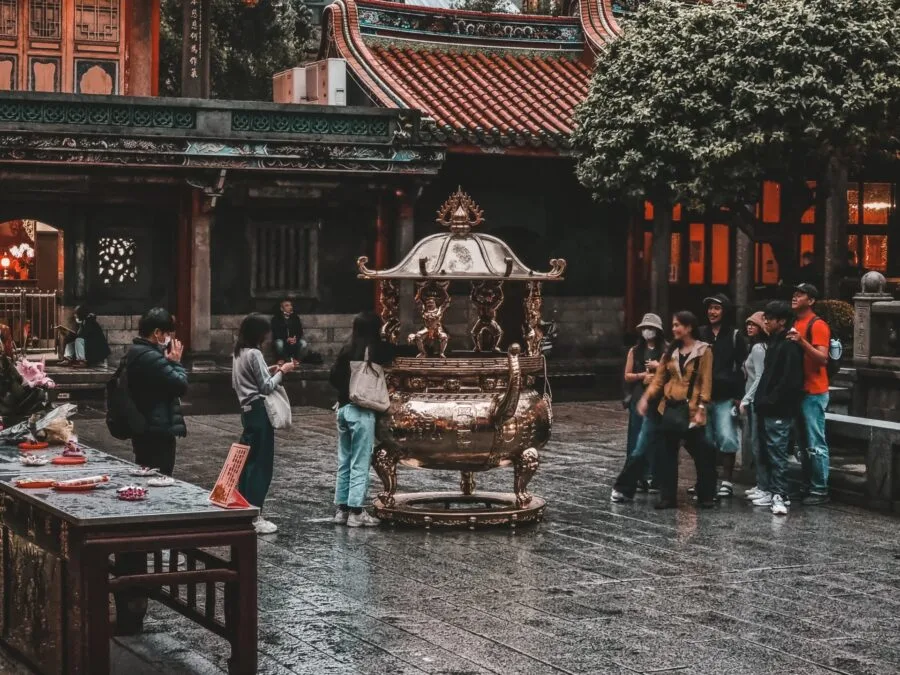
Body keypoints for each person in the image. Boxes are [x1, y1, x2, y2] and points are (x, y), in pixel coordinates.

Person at [638, 311, 717, 510]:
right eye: (673, 325)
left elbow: (706, 381)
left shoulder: (703, 351)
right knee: (667, 454)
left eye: (677, 325)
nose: (673, 329)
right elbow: (659, 380)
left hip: (691, 408)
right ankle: (667, 497)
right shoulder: (670, 351)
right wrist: (646, 398)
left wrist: (702, 407)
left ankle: (706, 494)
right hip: (670, 408)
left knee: (702, 452)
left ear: (689, 327)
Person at [232, 313, 297, 535]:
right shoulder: (255, 353)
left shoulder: (239, 353)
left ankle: (245, 508)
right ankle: (255, 513)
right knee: (261, 463)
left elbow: (246, 380)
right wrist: (282, 371)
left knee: (248, 463)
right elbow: (266, 387)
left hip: (246, 410)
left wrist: (268, 370)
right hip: (260, 411)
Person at [329, 311, 392, 527]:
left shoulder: (347, 348)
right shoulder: (376, 349)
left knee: (344, 461)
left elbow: (333, 377)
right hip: (362, 410)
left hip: (343, 409)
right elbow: (400, 352)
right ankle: (356, 511)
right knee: (360, 462)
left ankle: (342, 509)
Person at [753, 301, 805, 515]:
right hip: (767, 405)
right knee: (768, 450)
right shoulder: (774, 342)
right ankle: (771, 490)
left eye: (769, 318)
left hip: (779, 407)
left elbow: (789, 379)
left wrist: (771, 399)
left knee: (777, 452)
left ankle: (780, 494)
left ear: (781, 321)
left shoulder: (789, 345)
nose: (765, 322)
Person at [125, 308, 187, 476]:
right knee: (159, 474)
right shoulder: (150, 356)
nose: (169, 338)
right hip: (156, 428)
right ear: (157, 332)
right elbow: (180, 385)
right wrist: (176, 363)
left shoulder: (138, 351)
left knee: (148, 472)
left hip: (145, 425)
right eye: (167, 333)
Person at [611, 313, 666, 502]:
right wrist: (642, 375)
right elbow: (627, 375)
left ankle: (655, 476)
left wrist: (658, 369)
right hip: (639, 397)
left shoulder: (665, 350)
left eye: (650, 328)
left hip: (658, 398)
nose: (647, 331)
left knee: (656, 438)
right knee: (636, 437)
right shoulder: (635, 351)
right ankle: (638, 477)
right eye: (644, 328)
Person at [698, 293, 747, 498]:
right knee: (705, 440)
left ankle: (727, 480)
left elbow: (743, 367)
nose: (712, 312)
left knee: (727, 437)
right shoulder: (701, 333)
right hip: (703, 396)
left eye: (717, 308)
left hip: (726, 395)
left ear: (725, 311)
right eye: (710, 308)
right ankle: (705, 481)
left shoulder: (735, 336)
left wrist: (739, 395)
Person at [788, 283, 831, 505]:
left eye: (801, 294)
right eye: (794, 294)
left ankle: (820, 489)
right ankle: (806, 485)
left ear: (811, 300)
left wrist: (802, 341)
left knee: (816, 442)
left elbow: (822, 358)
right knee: (802, 443)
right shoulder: (794, 322)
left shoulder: (818, 324)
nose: (795, 297)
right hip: (798, 390)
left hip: (814, 391)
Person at [740, 312, 769, 501]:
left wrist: (746, 398)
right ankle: (760, 483)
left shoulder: (758, 348)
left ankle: (764, 486)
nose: (750, 327)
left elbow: (759, 376)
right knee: (755, 443)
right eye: (748, 324)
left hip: (754, 401)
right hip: (753, 399)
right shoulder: (756, 346)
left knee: (758, 444)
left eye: (754, 324)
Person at [270, 300, 308, 364]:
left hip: (293, 340)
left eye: (290, 305)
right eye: (287, 305)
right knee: (279, 343)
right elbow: (276, 333)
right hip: (282, 340)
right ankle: (281, 359)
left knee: (303, 343)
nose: (290, 307)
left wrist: (295, 338)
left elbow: (300, 331)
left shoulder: (295, 318)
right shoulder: (276, 319)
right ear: (282, 309)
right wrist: (286, 339)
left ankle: (296, 359)